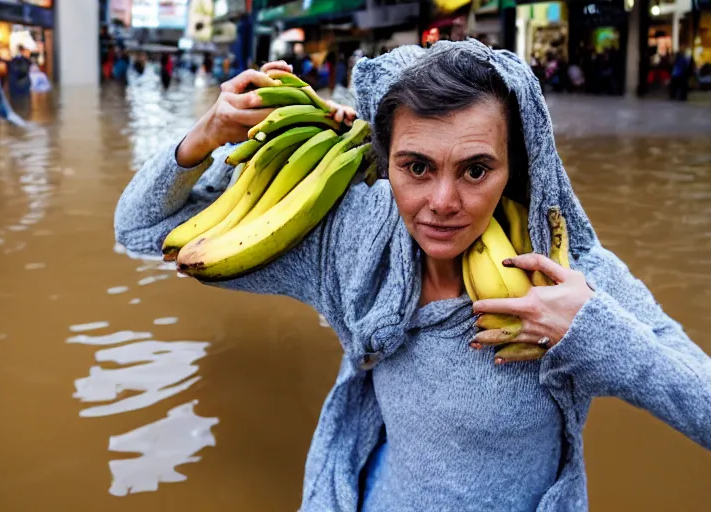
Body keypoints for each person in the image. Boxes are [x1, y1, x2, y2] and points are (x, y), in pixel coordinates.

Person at [114, 41, 711, 511]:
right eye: (416, 167)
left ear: (515, 166)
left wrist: (593, 333)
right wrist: (208, 135)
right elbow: (140, 230)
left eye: (476, 169)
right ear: (384, 159)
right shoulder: (353, 250)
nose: (442, 202)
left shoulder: (565, 279)